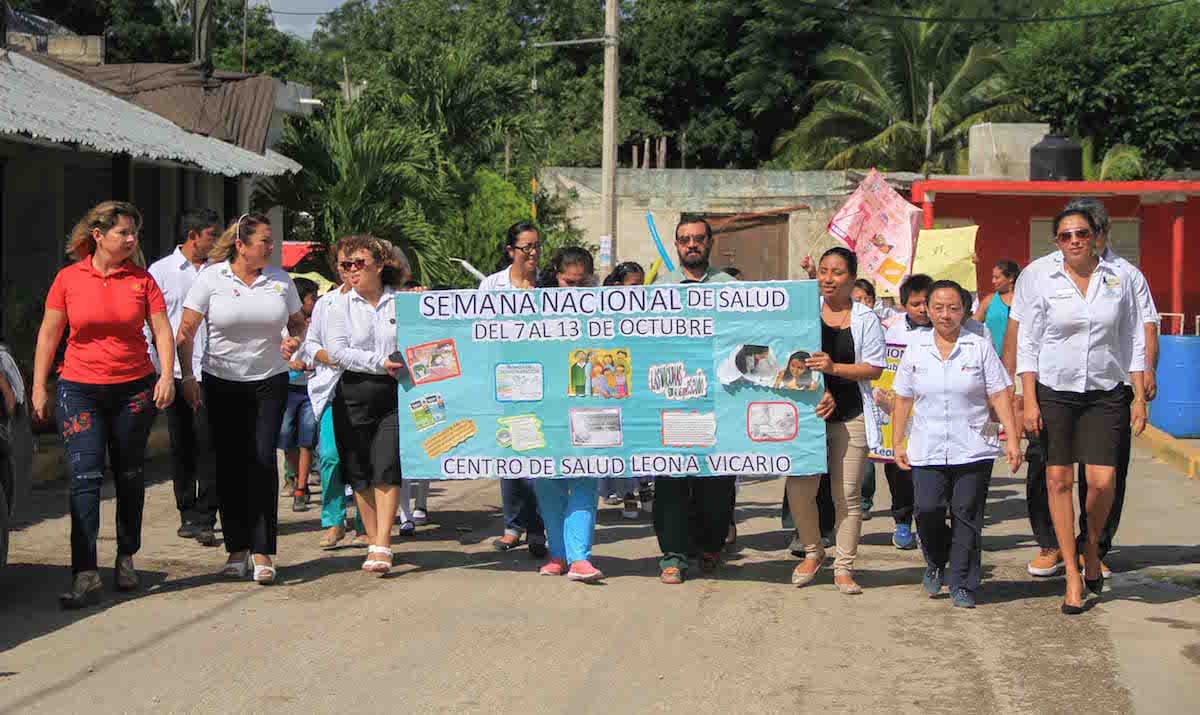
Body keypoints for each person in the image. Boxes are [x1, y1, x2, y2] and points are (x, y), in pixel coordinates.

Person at [31, 201, 176, 608]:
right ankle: (85, 572)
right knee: (84, 477)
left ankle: (126, 556)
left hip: (133, 390)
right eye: (123, 233)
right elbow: (48, 334)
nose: (131, 240)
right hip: (79, 388)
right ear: (99, 235)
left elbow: (161, 330)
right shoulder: (68, 279)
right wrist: (39, 386)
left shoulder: (142, 281)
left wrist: (166, 375)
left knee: (129, 475)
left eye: (134, 234)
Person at [1007, 198, 1159, 581]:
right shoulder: (1038, 274)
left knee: (1104, 478)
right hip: (1052, 390)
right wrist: (1017, 391)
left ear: (1098, 234)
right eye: (1066, 234)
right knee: (1049, 472)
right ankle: (1053, 546)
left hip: (1107, 389)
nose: (1075, 240)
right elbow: (1020, 334)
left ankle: (1094, 547)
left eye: (1084, 233)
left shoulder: (1124, 275)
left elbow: (1141, 330)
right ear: (1056, 240)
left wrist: (1142, 384)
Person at [177, 213, 305, 585]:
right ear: (241, 244)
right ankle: (237, 549)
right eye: (264, 241)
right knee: (229, 465)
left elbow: (297, 321)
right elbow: (186, 330)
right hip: (221, 382)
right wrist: (187, 375)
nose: (271, 247)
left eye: (272, 241)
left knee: (263, 460)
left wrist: (293, 339)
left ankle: (263, 550)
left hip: (269, 381)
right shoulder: (211, 278)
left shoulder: (280, 280)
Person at [891, 280, 1023, 608]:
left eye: (953, 308)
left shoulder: (978, 346)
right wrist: (897, 442)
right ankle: (936, 561)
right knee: (928, 509)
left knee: (967, 514)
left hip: (972, 445)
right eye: (938, 307)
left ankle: (963, 581)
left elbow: (998, 393)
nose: (945, 315)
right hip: (927, 446)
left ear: (964, 310)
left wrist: (1013, 438)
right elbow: (903, 398)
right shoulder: (916, 347)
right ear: (928, 310)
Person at [786, 247, 885, 594]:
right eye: (823, 271)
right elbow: (786, 356)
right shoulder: (804, 312)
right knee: (799, 491)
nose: (828, 279)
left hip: (851, 414)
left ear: (852, 278)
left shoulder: (865, 318)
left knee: (847, 495)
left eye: (837, 272)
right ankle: (813, 552)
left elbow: (873, 368)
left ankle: (844, 567)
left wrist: (834, 369)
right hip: (808, 414)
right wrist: (817, 389)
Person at [652, 217, 737, 584]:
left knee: (716, 480)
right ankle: (672, 553)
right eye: (685, 240)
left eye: (698, 239)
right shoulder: (659, 289)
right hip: (671, 397)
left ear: (710, 243)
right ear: (676, 246)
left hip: (719, 399)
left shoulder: (731, 288)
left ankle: (710, 546)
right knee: (671, 479)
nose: (692, 245)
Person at [320, 235, 411, 576]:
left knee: (386, 467)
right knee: (359, 474)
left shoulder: (400, 302)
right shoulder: (336, 304)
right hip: (351, 394)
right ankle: (373, 541)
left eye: (359, 263)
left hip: (392, 394)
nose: (351, 271)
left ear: (380, 264)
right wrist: (379, 362)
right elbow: (339, 351)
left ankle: (384, 543)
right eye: (345, 265)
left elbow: (420, 338)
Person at [524, 247, 605, 581]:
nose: (573, 291)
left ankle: (580, 557)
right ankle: (558, 553)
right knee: (548, 482)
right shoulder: (530, 309)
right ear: (554, 276)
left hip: (592, 404)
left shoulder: (605, 309)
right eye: (566, 282)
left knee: (586, 478)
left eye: (581, 283)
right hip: (545, 404)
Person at [147, 208, 220, 546]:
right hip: (173, 372)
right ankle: (187, 513)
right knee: (182, 446)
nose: (215, 242)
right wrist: (158, 370)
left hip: (212, 370)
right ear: (193, 236)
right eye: (210, 235)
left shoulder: (219, 273)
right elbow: (149, 324)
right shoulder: (160, 272)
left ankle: (207, 515)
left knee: (210, 445)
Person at [481, 222, 548, 558]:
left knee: (538, 457)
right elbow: (476, 329)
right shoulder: (491, 286)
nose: (534, 253)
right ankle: (512, 525)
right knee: (511, 456)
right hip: (505, 382)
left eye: (537, 246)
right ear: (511, 251)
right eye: (527, 247)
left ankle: (538, 527)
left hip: (544, 384)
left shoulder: (548, 285)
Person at [880, 273, 935, 550]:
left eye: (927, 302)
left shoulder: (946, 328)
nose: (923, 309)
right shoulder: (892, 330)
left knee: (930, 471)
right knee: (899, 470)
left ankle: (930, 525)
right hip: (899, 409)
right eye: (916, 304)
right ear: (903, 305)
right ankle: (902, 522)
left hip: (933, 410)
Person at [280, 277, 320, 513]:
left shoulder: (317, 323)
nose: (314, 303)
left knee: (307, 438)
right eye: (311, 298)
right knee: (285, 436)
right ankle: (295, 476)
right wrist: (289, 365)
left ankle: (301, 487)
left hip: (310, 388)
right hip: (286, 389)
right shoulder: (278, 325)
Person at [973, 260, 1019, 357]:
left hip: (1020, 359)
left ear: (1010, 278)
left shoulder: (1025, 300)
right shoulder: (989, 301)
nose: (993, 281)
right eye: (993, 277)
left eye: (997, 278)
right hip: (993, 358)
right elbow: (972, 326)